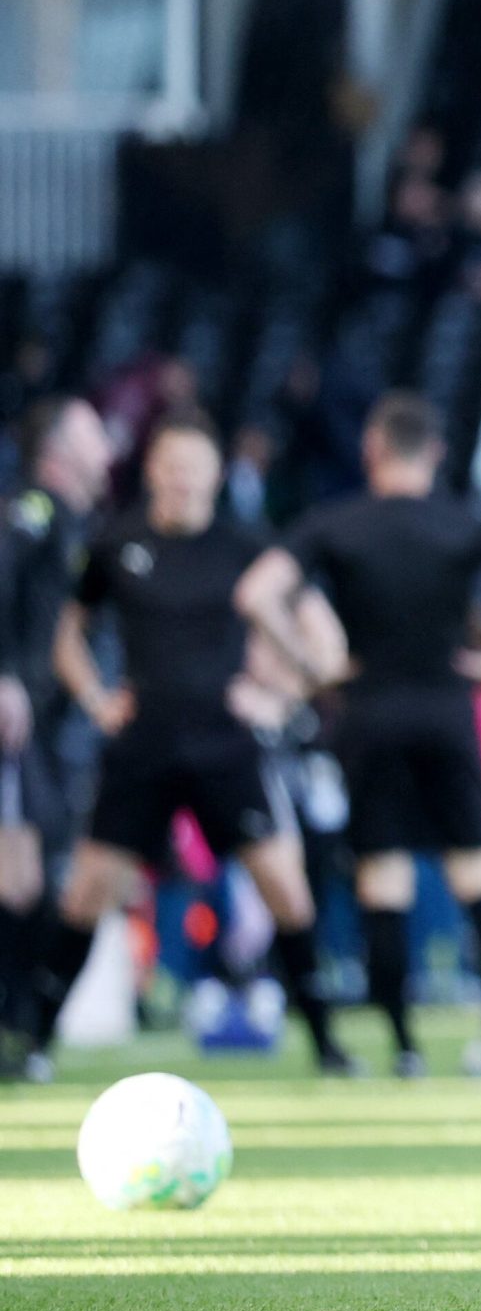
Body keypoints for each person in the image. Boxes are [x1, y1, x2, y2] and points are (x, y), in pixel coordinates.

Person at [234, 392, 481, 1078]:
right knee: (474, 862)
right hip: (448, 709)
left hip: (369, 712)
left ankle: (404, 1045)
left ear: (372, 451)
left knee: (382, 874)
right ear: (435, 452)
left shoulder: (336, 524)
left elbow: (255, 594)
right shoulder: (467, 522)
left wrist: (310, 671)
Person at [13, 411, 351, 1077]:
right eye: (169, 464)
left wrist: (279, 696)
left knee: (286, 889)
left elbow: (321, 636)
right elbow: (66, 636)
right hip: (144, 746)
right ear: (151, 470)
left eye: (194, 465)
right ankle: (35, 1048)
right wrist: (97, 701)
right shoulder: (116, 543)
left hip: (227, 744)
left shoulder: (245, 547)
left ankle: (327, 1045)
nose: (181, 478)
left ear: (216, 474)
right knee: (87, 893)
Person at [0, 399, 115, 1074]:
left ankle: (21, 1025)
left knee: (33, 877)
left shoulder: (79, 524)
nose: (108, 447)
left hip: (50, 729)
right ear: (57, 451)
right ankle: (15, 1020)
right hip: (18, 722)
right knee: (21, 877)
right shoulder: (31, 512)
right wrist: (5, 674)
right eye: (93, 433)